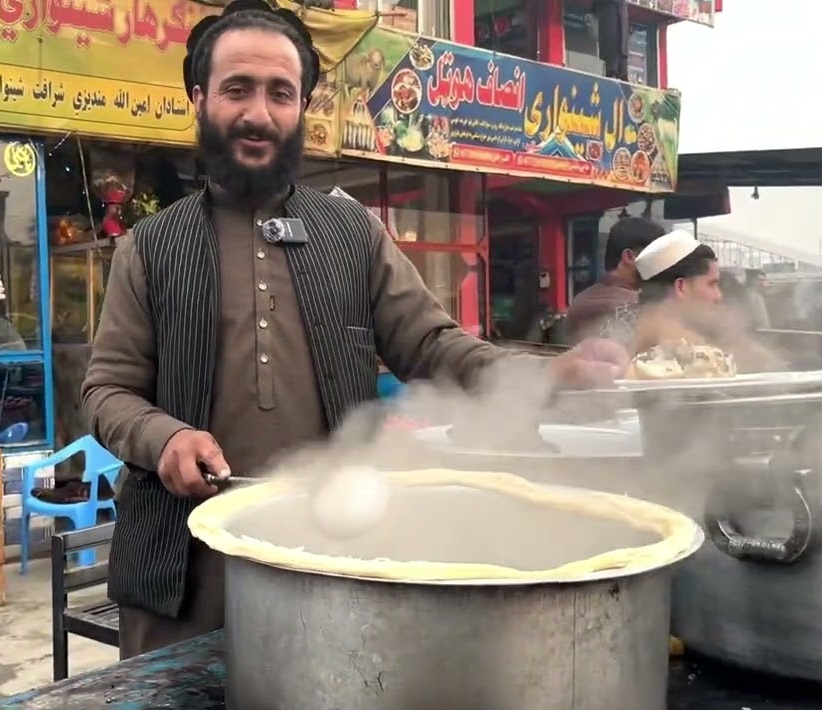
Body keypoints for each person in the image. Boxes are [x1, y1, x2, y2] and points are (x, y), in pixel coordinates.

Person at [80, 0, 630, 660]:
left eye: (281, 93)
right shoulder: (151, 246)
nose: (259, 113)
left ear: (303, 107)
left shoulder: (353, 233)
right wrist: (163, 437)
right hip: (180, 581)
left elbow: (430, 345)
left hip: (331, 563)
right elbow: (106, 391)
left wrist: (540, 375)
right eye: (237, 89)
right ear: (199, 99)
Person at [599, 230, 782, 371]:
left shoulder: (617, 327)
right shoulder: (692, 351)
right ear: (681, 287)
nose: (718, 296)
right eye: (712, 284)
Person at [562, 216, 665, 344]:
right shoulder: (632, 306)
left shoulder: (581, 299)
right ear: (629, 257)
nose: (662, 265)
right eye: (656, 256)